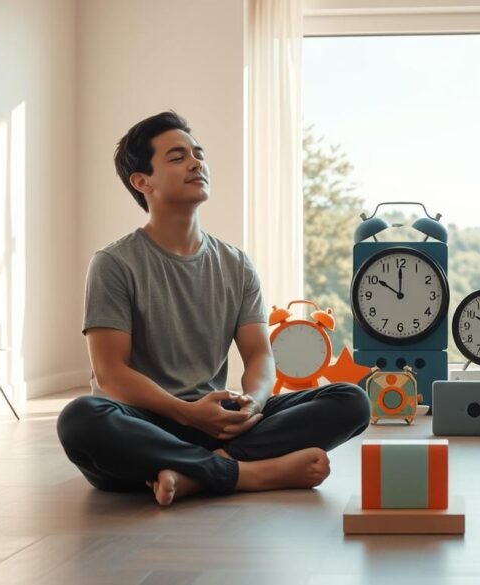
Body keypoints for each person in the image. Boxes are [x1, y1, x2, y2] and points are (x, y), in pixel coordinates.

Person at [56, 111, 371, 506]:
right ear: (142, 181)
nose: (196, 163)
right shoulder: (114, 263)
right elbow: (111, 373)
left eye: (198, 154)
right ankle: (248, 473)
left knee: (351, 400)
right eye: (177, 157)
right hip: (145, 423)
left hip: (219, 422)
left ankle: (196, 473)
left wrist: (252, 404)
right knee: (81, 419)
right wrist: (186, 414)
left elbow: (259, 354)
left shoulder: (236, 264)